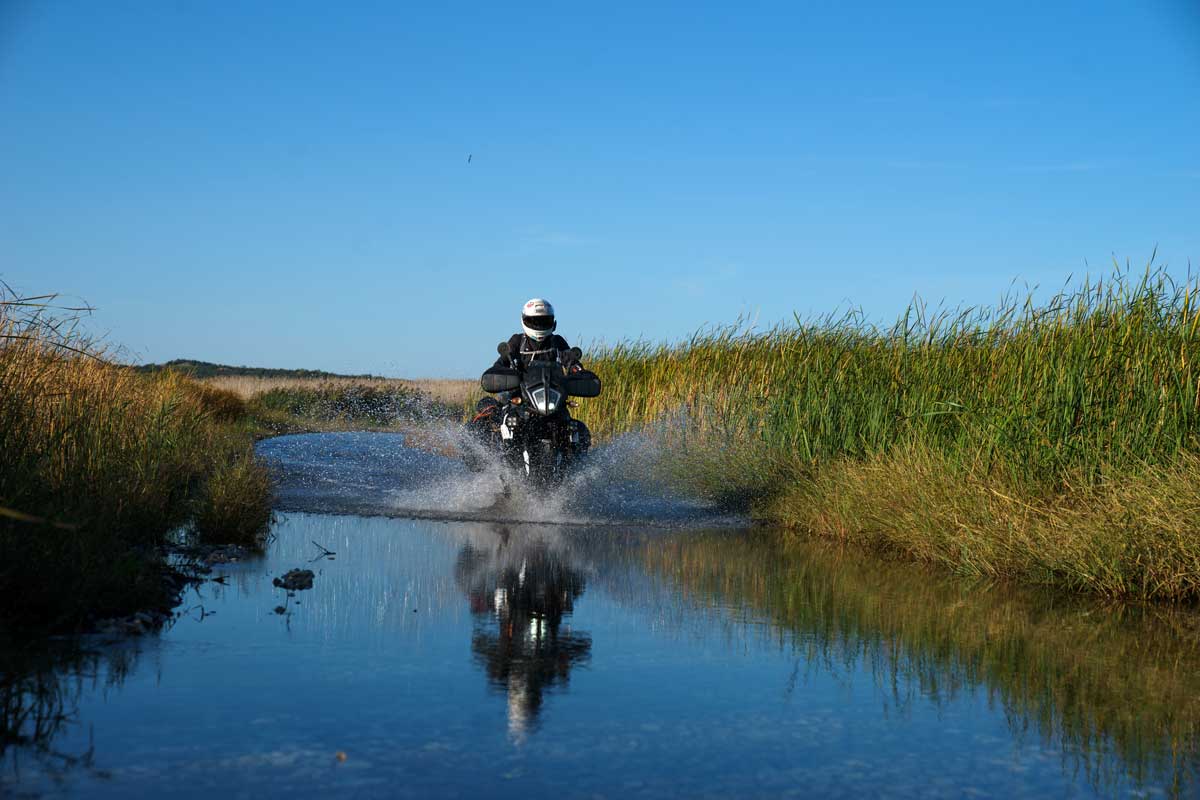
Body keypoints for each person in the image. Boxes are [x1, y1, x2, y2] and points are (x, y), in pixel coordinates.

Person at [492, 298, 581, 371]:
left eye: (544, 321)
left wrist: (578, 372)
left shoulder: (557, 341)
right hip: (522, 390)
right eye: (535, 321)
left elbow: (571, 362)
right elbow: (502, 362)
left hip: (554, 389)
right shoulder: (518, 340)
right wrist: (497, 371)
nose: (539, 325)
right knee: (507, 393)